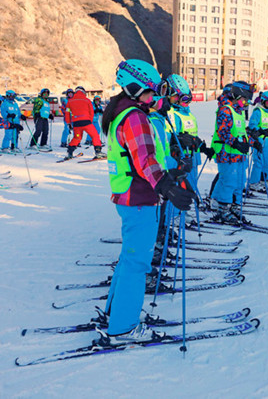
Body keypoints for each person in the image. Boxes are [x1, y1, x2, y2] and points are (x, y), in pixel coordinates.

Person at [96, 59, 195, 345]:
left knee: (128, 259)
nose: (153, 99)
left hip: (128, 196)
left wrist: (169, 175)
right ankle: (123, 328)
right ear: (133, 87)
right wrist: (164, 183)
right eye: (149, 93)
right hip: (139, 199)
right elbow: (145, 159)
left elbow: (136, 159)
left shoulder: (120, 112)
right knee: (137, 264)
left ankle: (114, 314)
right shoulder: (135, 117)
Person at [210, 81, 257, 223]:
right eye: (245, 100)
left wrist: (253, 143)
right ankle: (223, 210)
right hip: (227, 153)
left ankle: (234, 207)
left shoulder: (238, 112)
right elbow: (222, 132)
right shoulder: (226, 110)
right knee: (228, 181)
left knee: (239, 181)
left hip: (239, 154)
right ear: (237, 96)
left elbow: (242, 133)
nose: (246, 103)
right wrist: (236, 143)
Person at [65, 86, 105, 160]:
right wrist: (89, 120)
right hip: (86, 122)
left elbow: (67, 113)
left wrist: (68, 123)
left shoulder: (70, 101)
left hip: (76, 123)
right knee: (95, 135)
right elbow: (91, 112)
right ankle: (98, 151)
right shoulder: (87, 100)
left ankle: (69, 152)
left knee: (77, 137)